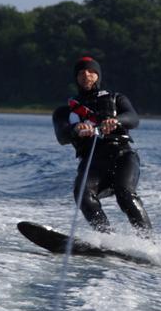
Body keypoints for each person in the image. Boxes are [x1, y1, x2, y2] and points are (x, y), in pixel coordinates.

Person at [52, 56, 152, 234]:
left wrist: (115, 121)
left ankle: (149, 240)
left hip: (122, 156)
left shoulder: (116, 99)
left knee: (125, 193)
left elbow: (134, 119)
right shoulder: (64, 112)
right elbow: (62, 136)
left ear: (98, 75)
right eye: (81, 73)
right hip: (93, 162)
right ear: (76, 78)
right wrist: (76, 129)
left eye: (91, 72)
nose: (86, 75)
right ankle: (107, 237)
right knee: (82, 194)